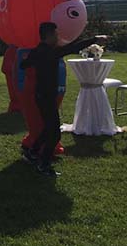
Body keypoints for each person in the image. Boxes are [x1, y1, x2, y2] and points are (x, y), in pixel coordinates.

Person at [19, 22, 107, 177]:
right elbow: (72, 47)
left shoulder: (38, 50)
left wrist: (32, 61)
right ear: (49, 36)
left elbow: (23, 65)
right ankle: (43, 164)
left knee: (48, 128)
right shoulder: (49, 52)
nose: (58, 37)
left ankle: (32, 152)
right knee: (55, 134)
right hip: (46, 97)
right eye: (56, 34)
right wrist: (94, 39)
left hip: (41, 95)